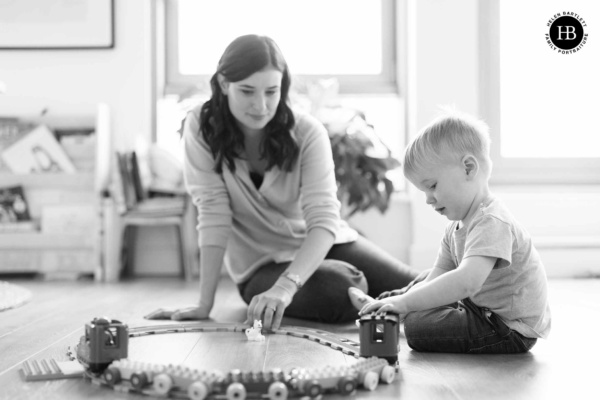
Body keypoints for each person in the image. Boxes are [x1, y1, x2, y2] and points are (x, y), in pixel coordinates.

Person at [145, 34, 418, 330]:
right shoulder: (201, 126)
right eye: (247, 91)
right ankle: (385, 305)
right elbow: (213, 213)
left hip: (323, 243)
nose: (260, 105)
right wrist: (204, 304)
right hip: (259, 265)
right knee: (342, 288)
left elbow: (324, 220)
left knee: (419, 285)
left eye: (271, 92)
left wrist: (286, 287)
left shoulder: (308, 132)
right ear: (224, 84)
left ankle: (450, 316)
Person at [349, 109, 551, 353]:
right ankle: (383, 303)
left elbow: (466, 283)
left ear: (468, 168)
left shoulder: (492, 222)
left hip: (507, 328)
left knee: (415, 327)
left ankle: (393, 308)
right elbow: (438, 274)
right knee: (426, 279)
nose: (428, 200)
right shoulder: (455, 228)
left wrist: (406, 305)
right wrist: (405, 301)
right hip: (480, 310)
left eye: (432, 186)